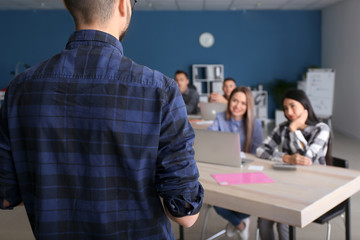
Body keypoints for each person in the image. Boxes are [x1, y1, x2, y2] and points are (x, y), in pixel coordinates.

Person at [0, 0, 204, 239]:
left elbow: (6, 194)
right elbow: (185, 213)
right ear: (123, 5)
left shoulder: (20, 89)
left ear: (67, 4)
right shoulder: (160, 90)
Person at [256, 88, 332, 240]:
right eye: (285, 108)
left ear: (305, 106)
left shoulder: (321, 129)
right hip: (286, 183)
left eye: (292, 106)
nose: (289, 111)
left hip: (313, 186)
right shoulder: (282, 127)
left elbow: (306, 160)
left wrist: (294, 129)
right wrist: (286, 158)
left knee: (283, 220)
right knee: (263, 218)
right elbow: (261, 150)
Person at [208, 86, 263, 240]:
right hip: (223, 170)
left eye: (243, 103)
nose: (238, 106)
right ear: (229, 101)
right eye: (235, 101)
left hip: (246, 172)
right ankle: (240, 225)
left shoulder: (255, 124)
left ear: (248, 106)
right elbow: (210, 138)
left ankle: (240, 219)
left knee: (247, 205)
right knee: (216, 203)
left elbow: (259, 152)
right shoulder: (220, 118)